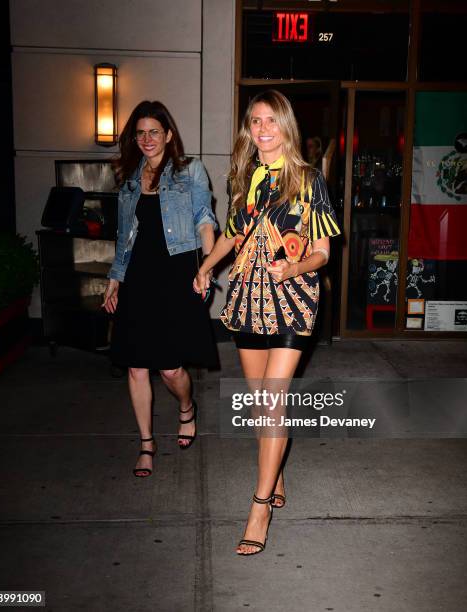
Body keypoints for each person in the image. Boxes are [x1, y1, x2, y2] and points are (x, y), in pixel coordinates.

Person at [194, 89, 342, 555]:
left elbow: (321, 252)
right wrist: (205, 266)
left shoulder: (307, 179)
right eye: (255, 121)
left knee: (273, 403)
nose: (262, 129)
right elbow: (234, 233)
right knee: (261, 406)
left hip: (294, 302)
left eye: (271, 121)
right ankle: (276, 473)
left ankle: (260, 507)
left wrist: (295, 268)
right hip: (247, 301)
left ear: (286, 127)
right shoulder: (244, 177)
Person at [102, 100, 219, 478]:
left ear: (168, 135)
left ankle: (186, 407)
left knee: (170, 369)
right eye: (140, 133)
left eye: (154, 131)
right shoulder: (130, 180)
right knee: (136, 367)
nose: (147, 139)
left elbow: (205, 220)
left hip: (175, 274)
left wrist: (206, 266)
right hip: (137, 278)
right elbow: (124, 238)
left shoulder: (190, 171)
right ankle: (146, 444)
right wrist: (114, 278)